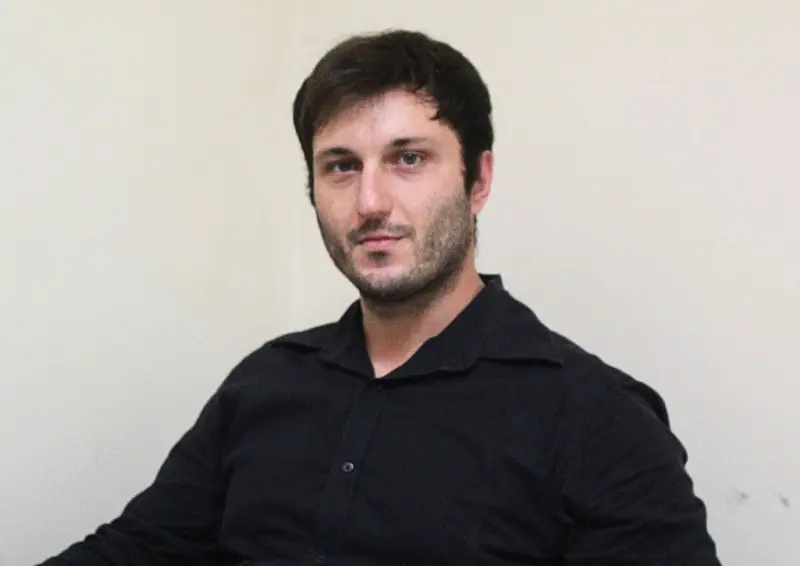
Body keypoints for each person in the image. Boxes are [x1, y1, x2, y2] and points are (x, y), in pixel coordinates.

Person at [37, 29, 721, 566]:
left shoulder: (596, 417)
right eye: (341, 166)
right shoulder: (265, 383)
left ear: (478, 180)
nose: (370, 202)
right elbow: (141, 548)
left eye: (408, 158)